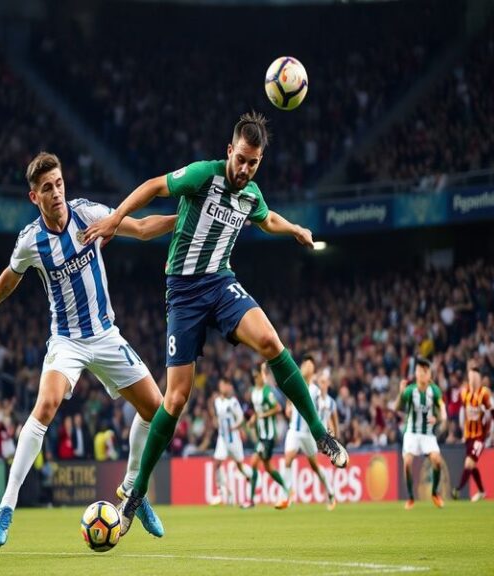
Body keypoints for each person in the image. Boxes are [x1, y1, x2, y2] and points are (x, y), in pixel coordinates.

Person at [82, 112, 348, 535]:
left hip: (222, 283)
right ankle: (135, 494)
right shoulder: (203, 175)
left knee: (272, 343)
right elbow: (155, 186)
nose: (245, 169)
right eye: (241, 159)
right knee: (176, 399)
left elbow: (267, 217)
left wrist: (294, 228)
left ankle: (320, 432)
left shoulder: (251, 194)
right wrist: (115, 218)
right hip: (184, 293)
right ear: (229, 151)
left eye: (253, 163)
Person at [0, 152, 176, 546]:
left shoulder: (88, 214)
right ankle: (7, 505)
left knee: (156, 408)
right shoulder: (31, 241)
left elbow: (142, 228)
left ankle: (131, 490)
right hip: (68, 341)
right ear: (34, 197)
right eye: (47, 188)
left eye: (59, 184)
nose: (56, 193)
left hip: (107, 335)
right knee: (45, 406)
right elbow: (11, 276)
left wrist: (185, 221)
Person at [283, 359, 337, 510]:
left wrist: (325, 433)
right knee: (288, 460)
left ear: (312, 371)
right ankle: (289, 493)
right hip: (294, 430)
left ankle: (330, 492)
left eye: (310, 365)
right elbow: (289, 394)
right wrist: (288, 406)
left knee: (315, 466)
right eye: (305, 364)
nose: (307, 367)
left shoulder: (315, 390)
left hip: (307, 434)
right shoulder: (295, 382)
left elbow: (320, 413)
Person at [396, 357, 447, 510]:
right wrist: (400, 393)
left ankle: (434, 493)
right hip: (411, 433)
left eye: (425, 371)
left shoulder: (434, 391)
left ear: (429, 374)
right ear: (416, 373)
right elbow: (398, 407)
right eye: (419, 370)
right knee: (407, 463)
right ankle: (411, 497)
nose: (422, 374)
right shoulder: (411, 390)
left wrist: (439, 419)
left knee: (437, 461)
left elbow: (441, 409)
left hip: (428, 435)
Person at [242, 362, 290, 510]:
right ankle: (287, 489)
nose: (257, 379)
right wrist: (252, 419)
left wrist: (264, 414)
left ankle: (250, 500)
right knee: (268, 468)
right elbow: (257, 411)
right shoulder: (255, 392)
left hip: (268, 436)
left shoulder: (267, 392)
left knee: (254, 462)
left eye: (258, 376)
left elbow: (278, 408)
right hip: (261, 435)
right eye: (255, 377)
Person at [452, 360, 493, 502]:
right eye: (470, 377)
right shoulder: (464, 393)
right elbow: (462, 411)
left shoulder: (484, 393)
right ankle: (482, 491)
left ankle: (457, 490)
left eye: (475, 377)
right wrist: (463, 430)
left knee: (469, 463)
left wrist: (489, 435)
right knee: (472, 465)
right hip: (468, 436)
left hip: (480, 436)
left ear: (479, 378)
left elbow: (489, 416)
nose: (472, 380)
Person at [209, 377, 250, 505]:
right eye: (221, 385)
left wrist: (235, 427)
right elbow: (215, 415)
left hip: (233, 440)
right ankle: (222, 493)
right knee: (217, 463)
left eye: (225, 385)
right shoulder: (217, 402)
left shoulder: (233, 402)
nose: (223, 387)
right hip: (222, 438)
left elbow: (241, 419)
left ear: (229, 387)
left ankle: (251, 477)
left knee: (240, 466)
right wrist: (215, 420)